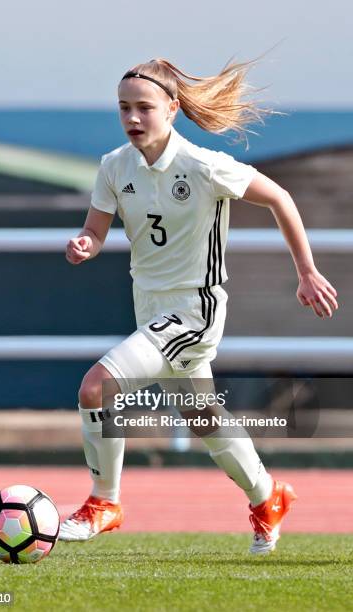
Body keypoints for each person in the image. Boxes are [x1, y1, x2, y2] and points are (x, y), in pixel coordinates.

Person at [59, 58, 338, 553]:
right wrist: (85, 243)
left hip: (195, 309)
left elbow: (280, 198)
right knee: (203, 416)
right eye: (124, 107)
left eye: (144, 107)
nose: (133, 117)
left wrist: (307, 270)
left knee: (96, 387)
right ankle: (267, 496)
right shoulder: (114, 166)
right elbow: (96, 231)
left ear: (172, 109)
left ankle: (105, 502)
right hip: (150, 307)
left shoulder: (204, 166)